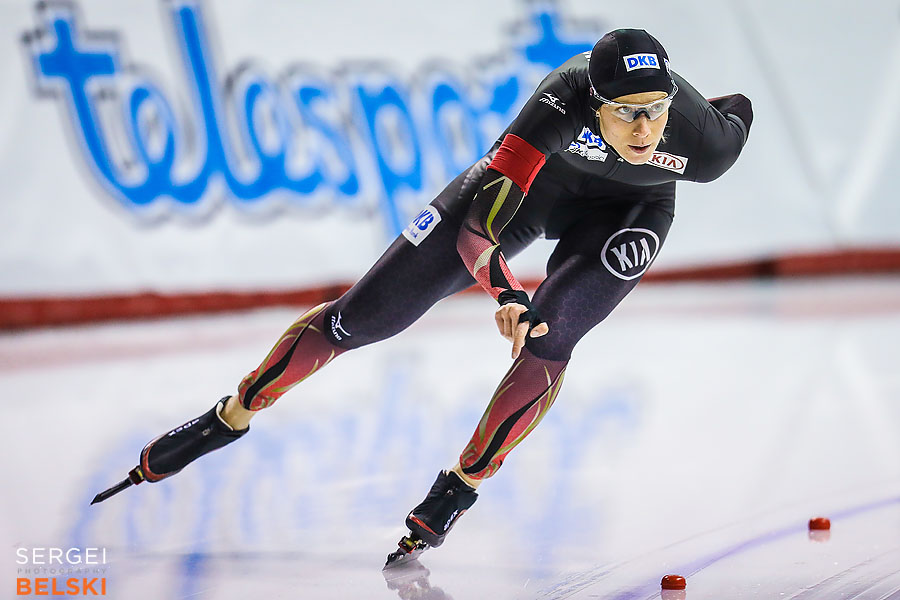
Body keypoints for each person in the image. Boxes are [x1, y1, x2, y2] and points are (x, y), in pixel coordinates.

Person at [93, 29, 752, 562]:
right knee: (364, 318)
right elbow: (476, 229)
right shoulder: (558, 102)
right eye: (627, 114)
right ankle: (231, 414)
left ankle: (457, 490)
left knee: (552, 335)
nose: (644, 129)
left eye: (656, 111)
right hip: (531, 196)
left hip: (629, 212)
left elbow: (738, 110)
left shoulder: (703, 146)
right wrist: (506, 293)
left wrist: (530, 310)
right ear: (595, 103)